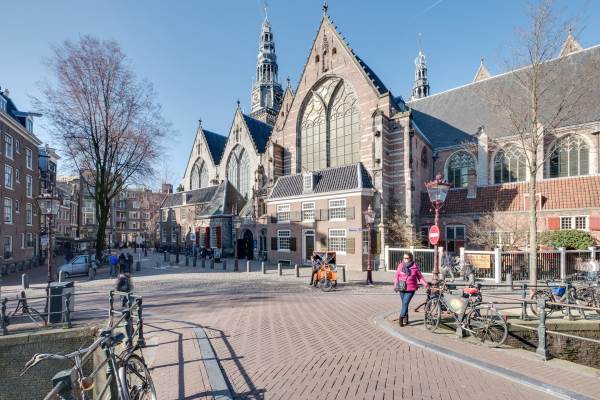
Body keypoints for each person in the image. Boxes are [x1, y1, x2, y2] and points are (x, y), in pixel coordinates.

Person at [393, 252, 428, 327]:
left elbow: (420, 277)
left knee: (405, 303)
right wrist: (395, 285)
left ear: (410, 258)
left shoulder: (415, 267)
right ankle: (406, 318)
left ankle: (401, 317)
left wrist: (425, 284)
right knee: (404, 304)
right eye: (404, 258)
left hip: (411, 289)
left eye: (407, 258)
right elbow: (396, 276)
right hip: (402, 287)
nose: (405, 259)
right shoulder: (400, 265)